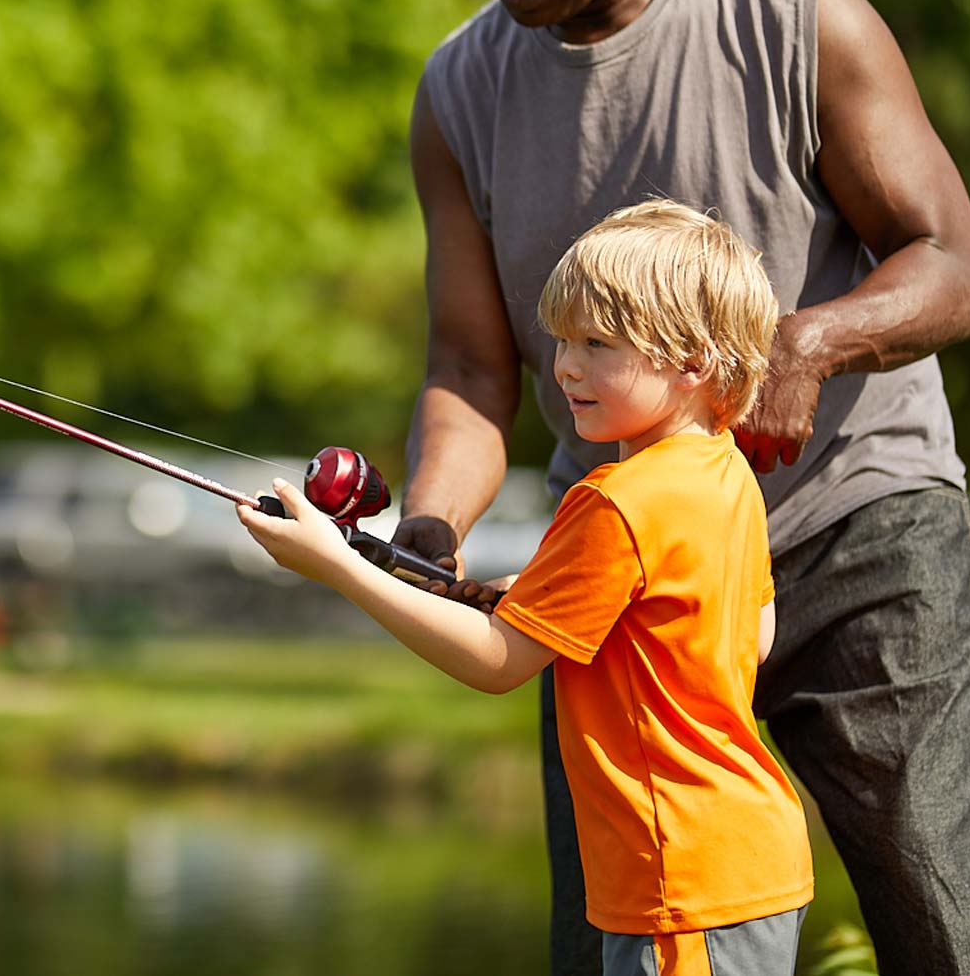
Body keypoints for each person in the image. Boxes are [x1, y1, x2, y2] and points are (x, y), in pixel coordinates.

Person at [391, 0, 970, 976]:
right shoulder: (459, 90)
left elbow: (951, 261)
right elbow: (471, 369)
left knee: (934, 903)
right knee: (616, 936)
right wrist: (430, 527)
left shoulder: (793, 8)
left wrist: (808, 342)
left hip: (855, 519)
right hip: (626, 560)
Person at [242, 199, 813, 975]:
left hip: (683, 883)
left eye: (597, 343)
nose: (566, 366)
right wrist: (554, 598)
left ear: (693, 363)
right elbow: (751, 631)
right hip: (745, 860)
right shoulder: (723, 470)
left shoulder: (617, 500)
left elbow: (496, 661)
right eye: (562, 340)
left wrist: (339, 566)